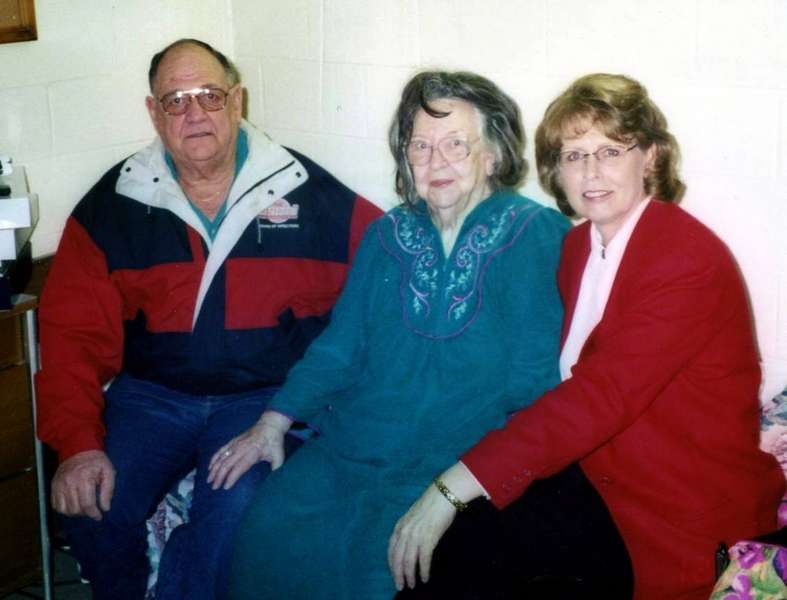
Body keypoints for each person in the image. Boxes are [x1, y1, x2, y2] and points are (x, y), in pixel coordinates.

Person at [388, 73, 786, 600]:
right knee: (457, 551)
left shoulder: (686, 258)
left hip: (674, 511)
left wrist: (453, 485)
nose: (591, 171)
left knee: (464, 551)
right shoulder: (577, 249)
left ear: (651, 157)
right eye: (574, 155)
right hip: (600, 485)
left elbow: (598, 397)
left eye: (611, 151)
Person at [35, 38, 381, 600]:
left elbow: (389, 263)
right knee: (92, 505)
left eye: (210, 95)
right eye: (176, 100)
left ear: (237, 101)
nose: (194, 113)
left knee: (233, 515)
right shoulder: (113, 206)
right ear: (154, 113)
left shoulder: (307, 192)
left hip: (259, 400)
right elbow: (69, 336)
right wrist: (77, 445)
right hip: (152, 398)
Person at [206, 71, 570, 599]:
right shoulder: (386, 235)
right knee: (268, 534)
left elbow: (533, 384)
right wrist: (272, 422)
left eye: (455, 144)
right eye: (420, 146)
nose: (436, 161)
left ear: (493, 155)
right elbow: (339, 348)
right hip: (352, 449)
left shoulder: (535, 234)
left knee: (384, 573)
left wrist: (471, 480)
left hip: (452, 462)